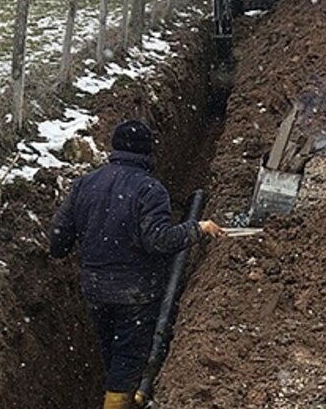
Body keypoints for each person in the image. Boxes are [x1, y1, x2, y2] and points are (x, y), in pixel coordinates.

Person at [50, 120, 225, 409]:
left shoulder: (85, 184)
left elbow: (58, 241)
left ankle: (123, 393)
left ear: (114, 148)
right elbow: (159, 240)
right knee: (129, 357)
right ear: (148, 153)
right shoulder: (150, 190)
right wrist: (198, 228)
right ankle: (123, 398)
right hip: (137, 291)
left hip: (94, 287)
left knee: (112, 350)